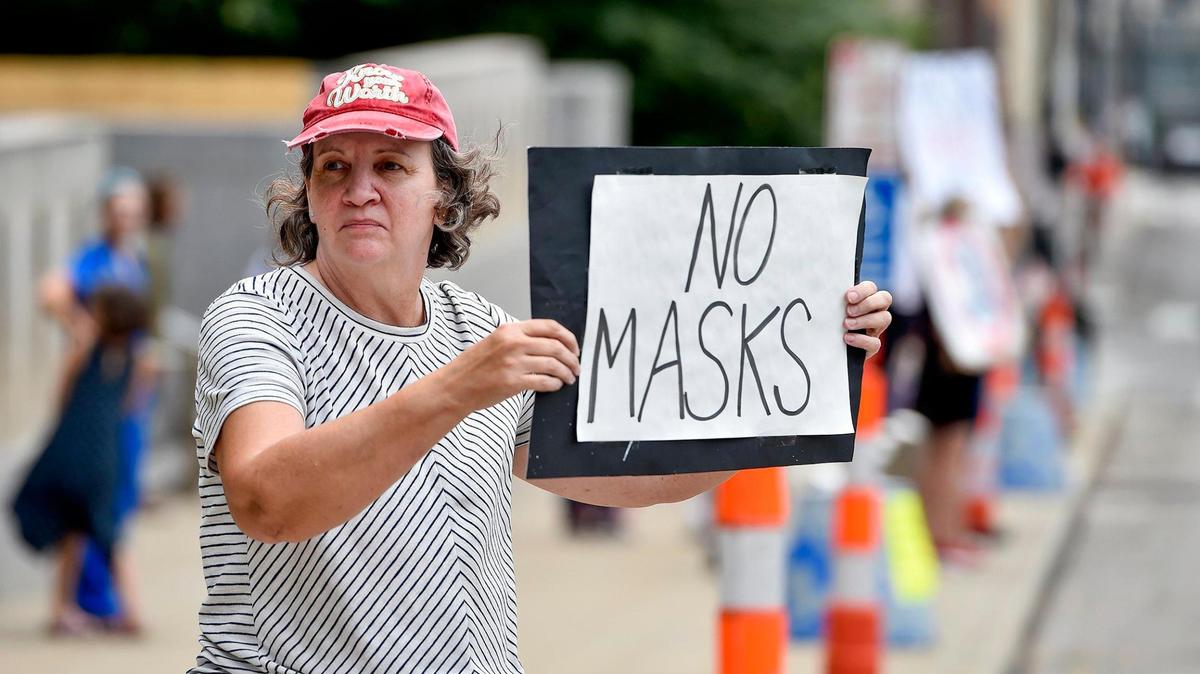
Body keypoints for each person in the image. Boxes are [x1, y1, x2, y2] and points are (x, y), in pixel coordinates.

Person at [189, 63, 893, 673]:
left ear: (444, 198)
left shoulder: (477, 327)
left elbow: (630, 477)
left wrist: (786, 373)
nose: (359, 189)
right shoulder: (256, 316)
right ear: (307, 193)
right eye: (333, 165)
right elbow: (265, 501)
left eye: (392, 165)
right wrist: (457, 389)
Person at [38, 167, 154, 630]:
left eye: (133, 211)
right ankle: (91, 600)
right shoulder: (93, 260)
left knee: (117, 498)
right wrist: (82, 329)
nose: (126, 219)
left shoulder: (136, 260)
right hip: (99, 406)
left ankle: (101, 599)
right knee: (95, 503)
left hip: (126, 405)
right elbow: (51, 291)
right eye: (119, 211)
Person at [11, 286, 150, 636]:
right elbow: (131, 405)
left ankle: (61, 610)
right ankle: (130, 610)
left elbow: (63, 392)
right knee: (110, 534)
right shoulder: (140, 359)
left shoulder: (85, 348)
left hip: (72, 449)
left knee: (71, 533)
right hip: (105, 454)